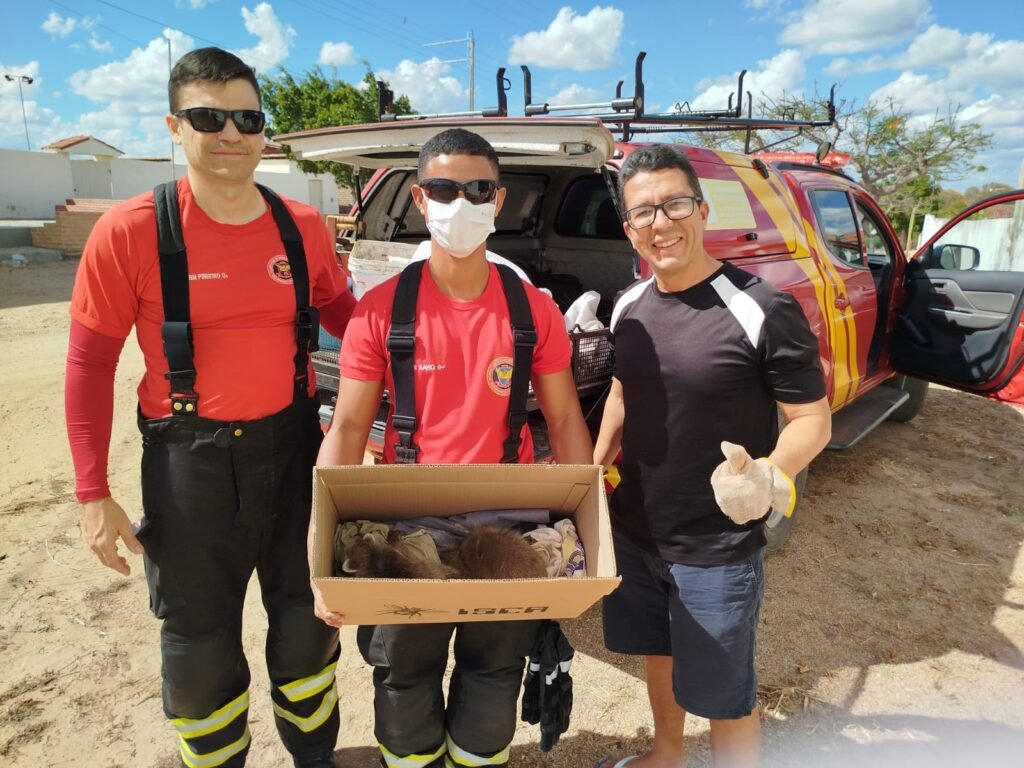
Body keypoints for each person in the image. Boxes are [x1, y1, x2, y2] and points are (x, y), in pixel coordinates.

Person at [65, 47, 356, 768]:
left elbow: (357, 325)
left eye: (247, 117)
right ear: (174, 126)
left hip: (294, 456)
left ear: (264, 130)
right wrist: (91, 493)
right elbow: (89, 363)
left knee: (306, 628)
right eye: (208, 116)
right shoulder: (130, 232)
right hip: (187, 465)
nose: (230, 132)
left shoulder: (302, 227)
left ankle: (313, 758)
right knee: (199, 650)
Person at [312, 127, 593, 768]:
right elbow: (348, 429)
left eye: (478, 189)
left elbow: (566, 417)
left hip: (507, 520)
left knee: (494, 673)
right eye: (443, 188)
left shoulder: (534, 311)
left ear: (498, 202)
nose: (459, 202)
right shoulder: (381, 312)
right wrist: (320, 550)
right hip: (408, 520)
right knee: (403, 676)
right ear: (419, 198)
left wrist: (586, 524)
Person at [592, 145, 831, 768]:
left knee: (726, 692)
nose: (661, 223)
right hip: (639, 528)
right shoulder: (628, 306)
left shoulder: (762, 308)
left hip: (718, 544)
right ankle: (665, 755)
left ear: (701, 211)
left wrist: (773, 474)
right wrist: (594, 467)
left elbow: (813, 420)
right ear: (628, 229)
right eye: (643, 212)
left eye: (675, 204)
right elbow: (623, 389)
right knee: (659, 654)